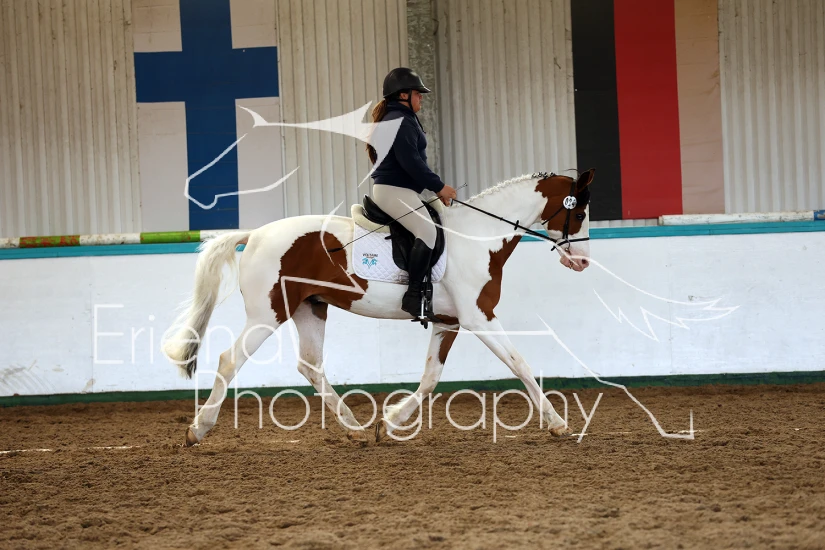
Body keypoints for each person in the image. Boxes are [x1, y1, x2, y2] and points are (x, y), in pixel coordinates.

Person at [367, 67, 457, 322]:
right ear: (403, 95)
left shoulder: (402, 118)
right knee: (427, 232)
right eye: (418, 94)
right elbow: (412, 162)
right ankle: (414, 296)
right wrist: (439, 186)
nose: (421, 98)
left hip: (400, 190)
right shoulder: (399, 120)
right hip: (392, 190)